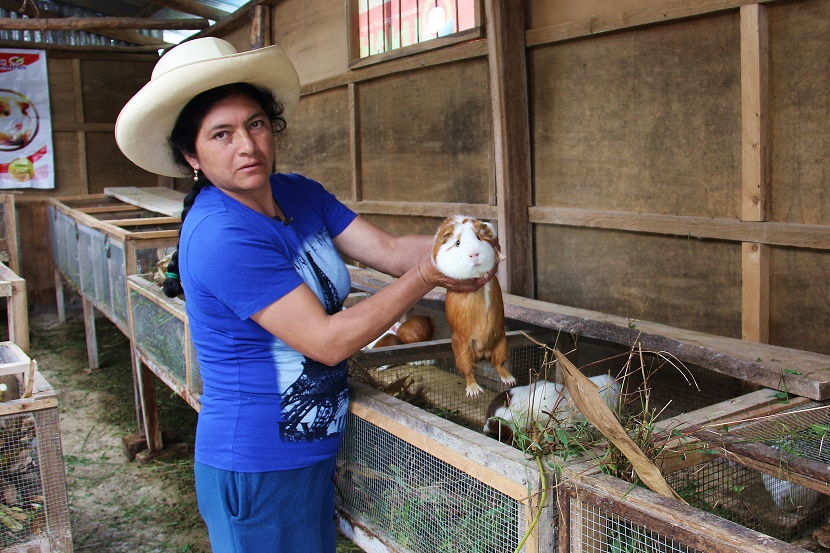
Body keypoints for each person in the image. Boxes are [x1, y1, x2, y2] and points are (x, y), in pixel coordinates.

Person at [115, 38, 492, 552]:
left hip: (309, 447)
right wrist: (429, 275)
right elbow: (327, 342)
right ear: (191, 155)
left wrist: (466, 243)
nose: (246, 146)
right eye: (220, 134)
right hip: (258, 460)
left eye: (255, 124)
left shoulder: (297, 192)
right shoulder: (221, 234)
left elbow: (385, 248)